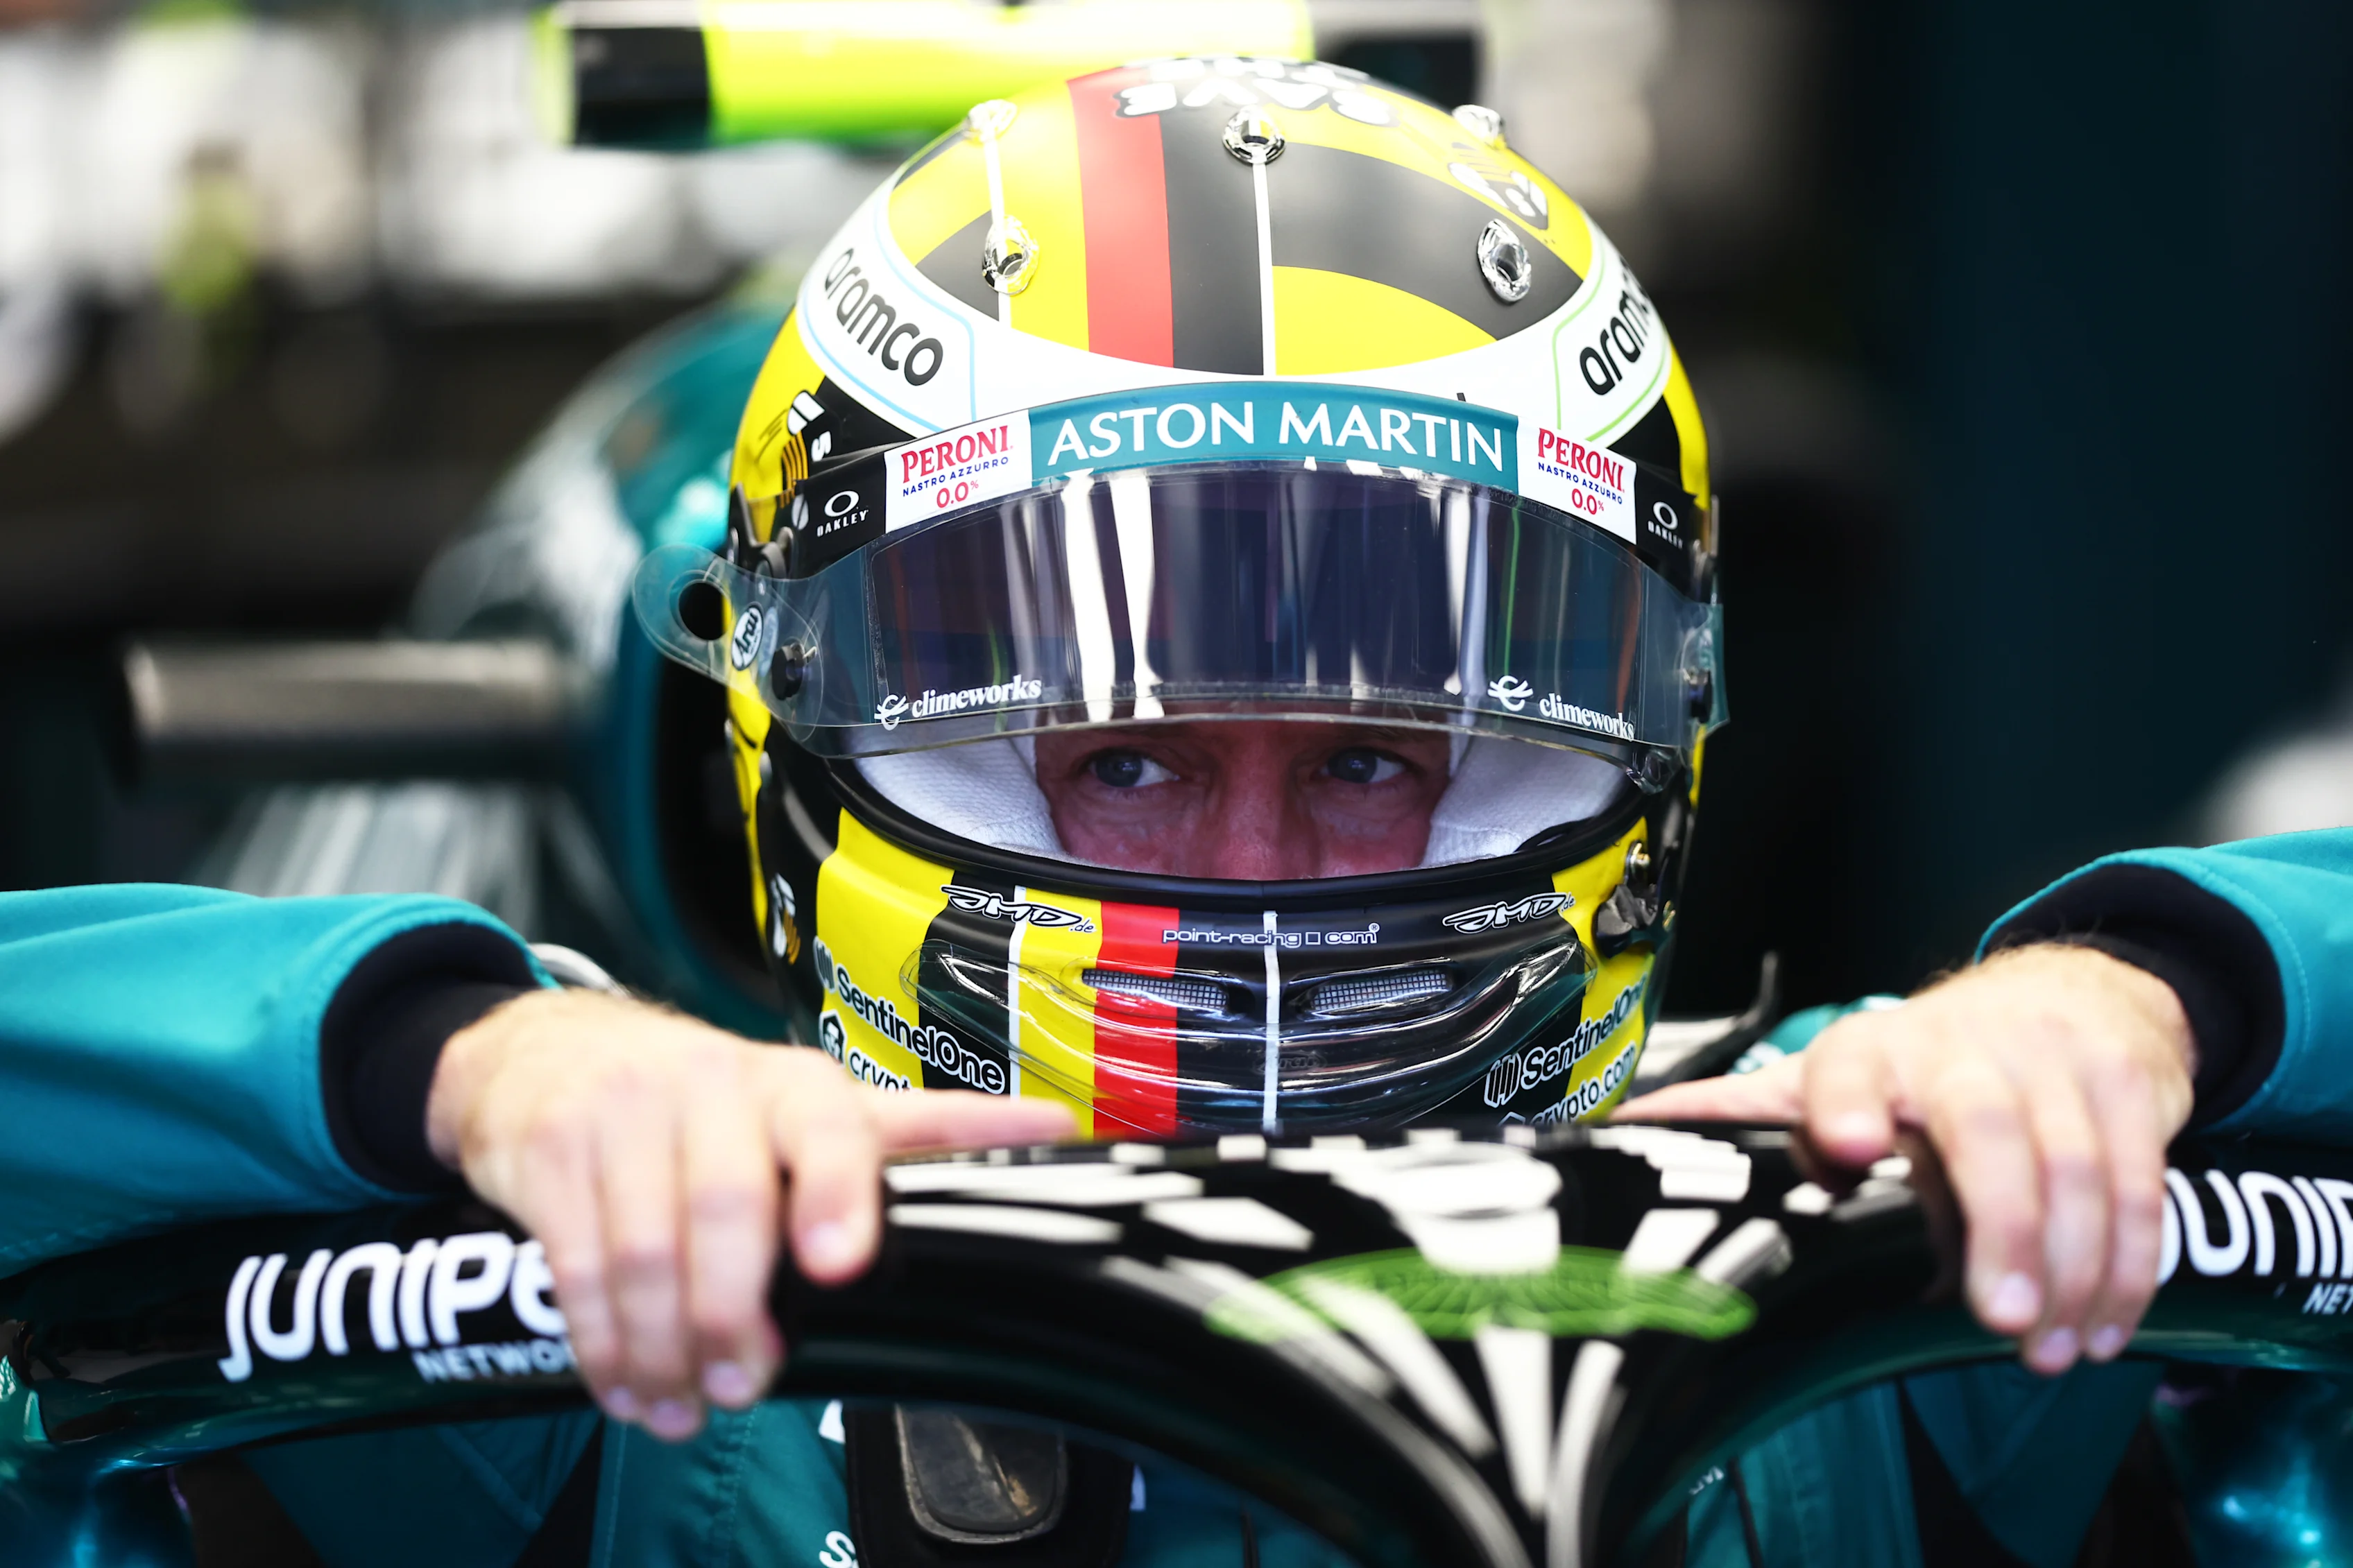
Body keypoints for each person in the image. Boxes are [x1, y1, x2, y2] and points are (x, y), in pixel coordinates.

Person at [6, 55, 2352, 1567]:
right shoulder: (624, 1342)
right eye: (1118, 753)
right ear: (798, 731)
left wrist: (2141, 998)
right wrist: (482, 1059)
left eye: (1372, 761)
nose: (1244, 869)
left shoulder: (1888, 1217)